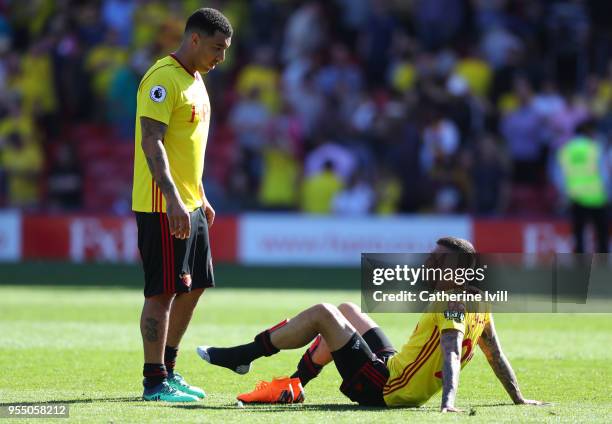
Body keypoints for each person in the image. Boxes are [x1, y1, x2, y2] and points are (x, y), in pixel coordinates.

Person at [197, 237, 545, 412]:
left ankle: (244, 355)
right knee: (347, 309)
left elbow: (451, 354)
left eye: (438, 258)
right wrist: (519, 398)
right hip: (394, 370)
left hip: (385, 389)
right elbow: (495, 354)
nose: (428, 261)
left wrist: (448, 403)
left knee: (324, 313)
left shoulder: (451, 302)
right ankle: (294, 385)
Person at [131, 8, 232, 402]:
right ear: (194, 39)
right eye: (217, 47)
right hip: (163, 204)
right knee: (162, 293)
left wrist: (199, 194)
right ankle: (154, 382)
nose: (221, 57)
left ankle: (169, 371)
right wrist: (173, 198)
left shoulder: (197, 80)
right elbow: (152, 140)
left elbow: (186, 146)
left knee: (195, 287)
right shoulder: (162, 78)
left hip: (190, 201)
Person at [557, 120, 610, 253]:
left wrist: (565, 193)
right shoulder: (595, 148)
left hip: (575, 196)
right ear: (588, 131)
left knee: (578, 232)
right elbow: (604, 173)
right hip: (596, 195)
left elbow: (558, 174)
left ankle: (579, 266)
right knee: (601, 232)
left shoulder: (566, 149)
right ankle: (602, 264)